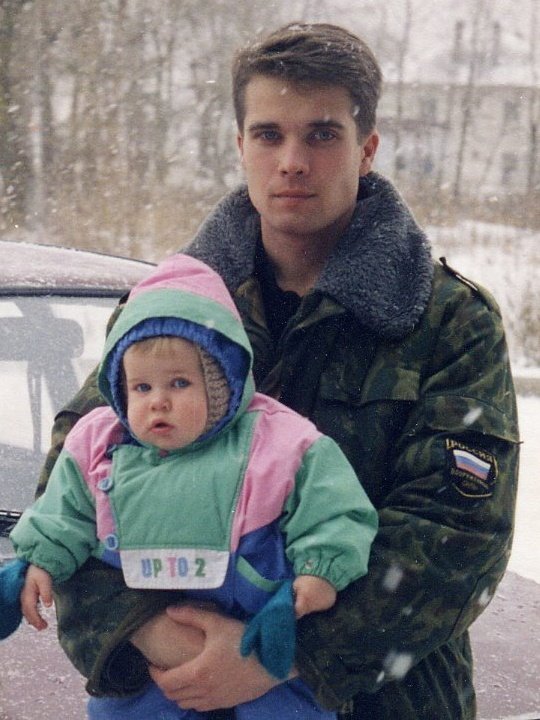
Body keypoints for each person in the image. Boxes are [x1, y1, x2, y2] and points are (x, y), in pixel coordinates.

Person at [29, 21, 519, 720]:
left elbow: (457, 540)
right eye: (268, 134)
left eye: (322, 134)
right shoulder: (168, 310)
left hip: (385, 703)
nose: (292, 161)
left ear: (367, 149)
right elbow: (76, 483)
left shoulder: (445, 320)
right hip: (171, 693)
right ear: (240, 146)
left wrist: (283, 657)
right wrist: (148, 630)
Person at [5, 253, 377, 719]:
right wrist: (41, 559)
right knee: (128, 710)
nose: (158, 402)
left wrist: (321, 568)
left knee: (289, 710)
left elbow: (333, 506)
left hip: (256, 623)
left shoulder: (278, 440)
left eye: (179, 383)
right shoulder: (99, 443)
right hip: (152, 634)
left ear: (221, 386)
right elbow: (64, 509)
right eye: (141, 388)